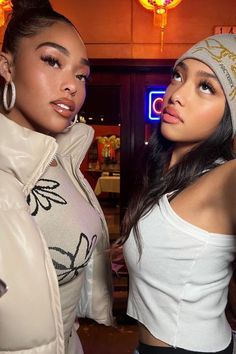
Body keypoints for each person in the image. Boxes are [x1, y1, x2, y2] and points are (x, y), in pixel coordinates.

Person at [0, 1, 113, 353]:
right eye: (52, 61)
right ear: (7, 66)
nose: (72, 86)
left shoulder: (61, 155)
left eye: (81, 75)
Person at [120, 33, 236, 354]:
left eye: (206, 87)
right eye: (178, 76)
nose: (176, 94)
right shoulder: (169, 176)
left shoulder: (225, 178)